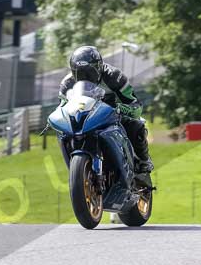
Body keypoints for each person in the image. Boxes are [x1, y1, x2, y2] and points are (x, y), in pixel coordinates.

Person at [58, 45, 154, 174]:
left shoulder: (114, 76)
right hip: (85, 119)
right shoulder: (67, 83)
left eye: (89, 72)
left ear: (99, 67)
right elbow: (62, 107)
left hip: (113, 116)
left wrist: (121, 109)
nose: (85, 77)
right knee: (63, 133)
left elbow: (135, 105)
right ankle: (76, 171)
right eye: (80, 73)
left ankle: (144, 160)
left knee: (136, 124)